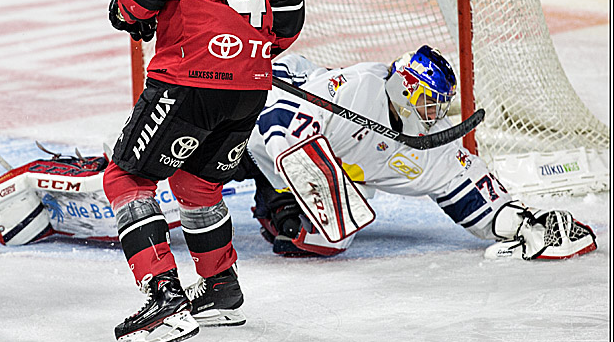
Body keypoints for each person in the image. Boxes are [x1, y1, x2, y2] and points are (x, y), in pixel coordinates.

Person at [104, 0, 306, 342]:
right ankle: (219, 289)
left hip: (190, 77)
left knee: (127, 175)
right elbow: (287, 23)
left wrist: (126, 13)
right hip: (251, 84)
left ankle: (164, 296)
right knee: (197, 185)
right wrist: (243, 51)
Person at [244, 48, 597, 260]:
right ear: (405, 89)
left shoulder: (423, 139)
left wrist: (521, 222)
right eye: (428, 102)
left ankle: (276, 203)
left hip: (297, 166)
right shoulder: (356, 89)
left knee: (308, 237)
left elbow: (464, 180)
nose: (435, 114)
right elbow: (278, 119)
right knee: (200, 177)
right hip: (248, 121)